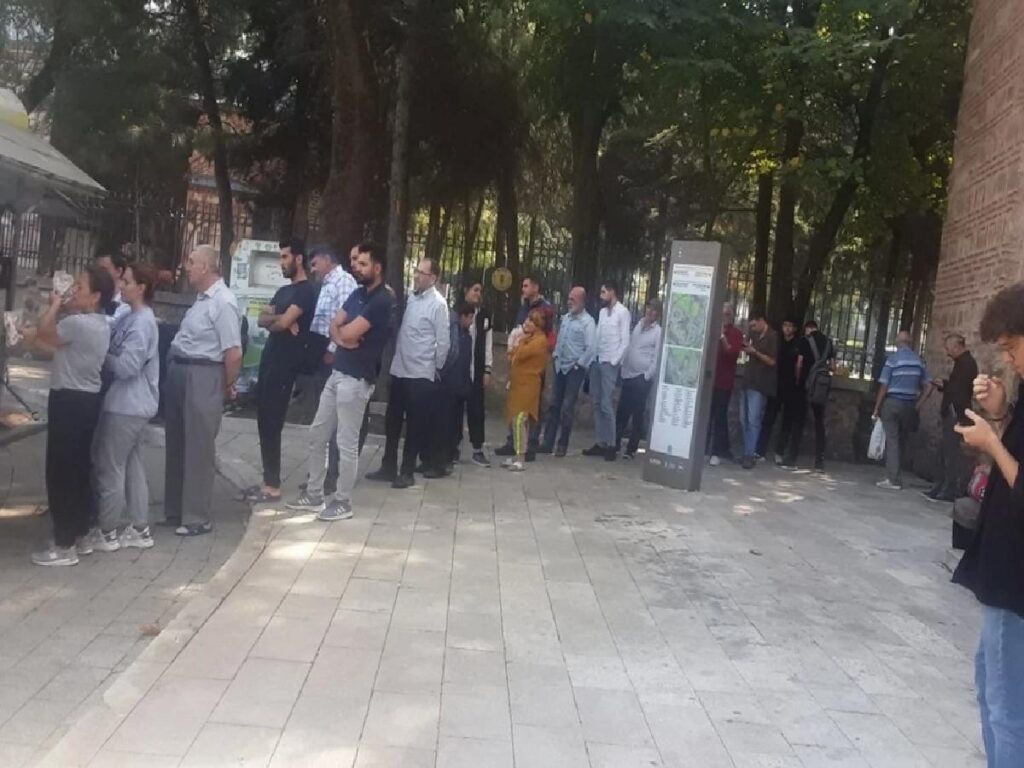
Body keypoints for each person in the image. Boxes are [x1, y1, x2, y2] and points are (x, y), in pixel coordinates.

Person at [951, 283, 1024, 768]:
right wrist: (998, 415)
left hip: (1016, 580)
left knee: (1008, 710)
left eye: (1012, 348)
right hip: (1004, 566)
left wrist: (991, 444)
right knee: (989, 685)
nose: (1009, 360)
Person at [288, 243, 394, 520]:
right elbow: (336, 327)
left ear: (378, 268)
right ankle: (314, 494)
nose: (357, 268)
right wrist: (344, 337)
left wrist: (344, 335)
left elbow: (347, 331)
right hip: (338, 373)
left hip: (357, 379)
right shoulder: (357, 294)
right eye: (356, 263)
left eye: (363, 264)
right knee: (317, 434)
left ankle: (343, 500)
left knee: (346, 442)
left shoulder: (381, 301)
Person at [23, 266, 114, 565]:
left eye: (80, 286)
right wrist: (32, 339)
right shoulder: (99, 324)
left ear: (96, 296)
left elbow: (46, 330)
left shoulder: (79, 323)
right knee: (78, 468)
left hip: (70, 400)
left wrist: (55, 304)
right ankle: (80, 533)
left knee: (61, 470)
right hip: (86, 401)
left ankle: (64, 544)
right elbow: (57, 348)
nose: (74, 290)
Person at [163, 244, 242, 535]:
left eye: (192, 262)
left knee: (198, 447)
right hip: (181, 370)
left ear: (206, 267)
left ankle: (196, 517)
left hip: (204, 373)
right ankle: (176, 510)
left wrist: (226, 384)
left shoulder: (223, 301)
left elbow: (233, 352)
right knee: (177, 443)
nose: (187, 267)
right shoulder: (201, 300)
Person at [89, 263, 160, 552]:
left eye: (126, 281)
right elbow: (107, 326)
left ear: (141, 288)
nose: (121, 285)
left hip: (127, 406)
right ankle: (139, 528)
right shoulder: (130, 315)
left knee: (110, 466)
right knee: (130, 465)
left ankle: (107, 531)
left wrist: (101, 355)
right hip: (130, 404)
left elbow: (128, 367)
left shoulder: (142, 323)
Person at [366, 257, 449, 488]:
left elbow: (443, 342)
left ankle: (407, 470)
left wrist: (435, 368)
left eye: (422, 273)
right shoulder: (412, 298)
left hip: (421, 373)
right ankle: (388, 466)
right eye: (416, 271)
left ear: (433, 278)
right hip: (400, 368)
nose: (416, 276)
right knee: (393, 421)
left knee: (414, 425)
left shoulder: (438, 304)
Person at [248, 238, 317, 503]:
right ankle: (268, 480)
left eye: (285, 257)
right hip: (270, 360)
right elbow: (262, 319)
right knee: (264, 420)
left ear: (298, 259)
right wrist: (281, 319)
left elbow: (280, 324)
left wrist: (280, 320)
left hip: (286, 364)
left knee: (273, 420)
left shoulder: (306, 291)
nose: (281, 262)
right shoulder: (282, 291)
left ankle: (273, 485)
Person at [305, 245, 357, 495]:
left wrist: (333, 350)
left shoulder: (343, 282)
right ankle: (319, 474)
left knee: (333, 422)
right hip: (320, 353)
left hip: (333, 354)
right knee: (321, 421)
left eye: (315, 264)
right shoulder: (327, 284)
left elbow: (346, 320)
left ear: (327, 260)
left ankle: (332, 475)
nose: (313, 269)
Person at [495, 276, 556, 459]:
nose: (523, 289)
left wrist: (537, 351)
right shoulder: (524, 306)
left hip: (533, 361)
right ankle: (513, 441)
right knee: (515, 402)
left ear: (536, 287)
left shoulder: (545, 308)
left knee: (531, 405)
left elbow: (548, 334)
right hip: (520, 359)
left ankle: (530, 444)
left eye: (526, 286)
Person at [539, 286, 596, 457]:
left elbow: (591, 348)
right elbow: (560, 339)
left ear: (582, 301)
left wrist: (579, 364)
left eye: (573, 299)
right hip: (560, 366)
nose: (569, 302)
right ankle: (547, 442)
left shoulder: (588, 322)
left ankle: (562, 444)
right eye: (569, 298)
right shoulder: (566, 318)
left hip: (574, 369)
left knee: (567, 406)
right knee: (554, 404)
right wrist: (555, 356)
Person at [872, 330, 930, 490]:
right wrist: (918, 405)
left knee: (891, 440)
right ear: (910, 343)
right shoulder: (919, 361)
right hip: (910, 405)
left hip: (893, 403)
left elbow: (884, 386)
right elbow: (929, 386)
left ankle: (893, 479)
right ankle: (895, 474)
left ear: (898, 343)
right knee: (901, 440)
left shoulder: (893, 360)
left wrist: (876, 407)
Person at [924, 333, 978, 502]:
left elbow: (960, 391)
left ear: (956, 346)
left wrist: (945, 385)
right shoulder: (961, 363)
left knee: (952, 453)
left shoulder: (967, 364)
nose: (947, 352)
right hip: (952, 413)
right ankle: (940, 486)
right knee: (944, 452)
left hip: (956, 414)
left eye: (948, 348)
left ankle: (950, 489)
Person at [583, 280, 632, 461]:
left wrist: (614, 361)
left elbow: (625, 341)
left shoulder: (623, 312)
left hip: (610, 363)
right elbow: (598, 336)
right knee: (596, 402)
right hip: (598, 360)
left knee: (606, 404)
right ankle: (600, 442)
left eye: (604, 292)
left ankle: (612, 444)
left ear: (613, 292)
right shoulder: (603, 312)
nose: (601, 295)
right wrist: (591, 358)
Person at [449, 280, 493, 467]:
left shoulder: (484, 315)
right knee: (455, 409)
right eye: (475, 290)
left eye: (480, 291)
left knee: (476, 409)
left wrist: (487, 369)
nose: (478, 294)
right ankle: (453, 446)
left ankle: (477, 448)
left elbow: (488, 343)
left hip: (477, 369)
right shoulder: (455, 312)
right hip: (459, 369)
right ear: (466, 290)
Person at [504, 310, 551, 472]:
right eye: (527, 320)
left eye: (531, 321)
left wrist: (517, 342)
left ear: (538, 325)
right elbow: (511, 355)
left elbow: (520, 353)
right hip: (519, 385)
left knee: (520, 420)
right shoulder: (528, 339)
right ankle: (517, 454)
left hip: (528, 386)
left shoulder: (539, 341)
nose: (526, 323)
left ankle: (520, 458)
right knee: (515, 421)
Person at [615, 299, 661, 459]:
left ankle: (631, 449)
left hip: (641, 378)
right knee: (622, 411)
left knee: (637, 414)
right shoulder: (638, 325)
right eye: (648, 308)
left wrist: (647, 376)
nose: (650, 312)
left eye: (654, 310)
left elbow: (657, 357)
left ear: (658, 314)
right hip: (628, 374)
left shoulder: (658, 332)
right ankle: (615, 443)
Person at [789, 319, 834, 471]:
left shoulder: (804, 340)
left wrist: (797, 379)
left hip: (805, 385)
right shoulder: (828, 342)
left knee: (799, 420)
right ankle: (819, 461)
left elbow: (799, 363)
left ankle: (791, 459)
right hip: (820, 388)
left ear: (807, 329)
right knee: (819, 422)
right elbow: (833, 366)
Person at [757, 318, 800, 467]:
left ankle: (779, 452)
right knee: (769, 418)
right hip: (775, 385)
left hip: (791, 387)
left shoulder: (797, 344)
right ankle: (760, 451)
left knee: (786, 422)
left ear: (794, 328)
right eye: (785, 325)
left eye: (790, 326)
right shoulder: (778, 342)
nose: (787, 328)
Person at [739, 309, 778, 469]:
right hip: (747, 381)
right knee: (743, 419)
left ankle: (750, 454)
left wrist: (755, 352)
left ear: (762, 320)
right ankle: (747, 451)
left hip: (760, 384)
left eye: (754, 325)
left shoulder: (772, 337)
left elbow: (772, 361)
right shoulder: (754, 335)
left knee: (753, 420)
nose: (752, 328)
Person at [707, 302, 744, 466]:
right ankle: (703, 448)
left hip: (724, 381)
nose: (724, 317)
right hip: (709, 379)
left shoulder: (736, 333)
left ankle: (716, 452)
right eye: (722, 314)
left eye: (727, 314)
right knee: (706, 415)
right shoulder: (711, 329)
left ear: (731, 316)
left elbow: (731, 354)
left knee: (720, 416)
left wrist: (722, 337)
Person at [444, 302, 477, 467]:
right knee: (448, 419)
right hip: (451, 382)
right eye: (469, 318)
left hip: (462, 384)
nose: (471, 322)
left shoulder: (467, 337)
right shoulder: (454, 334)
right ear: (463, 317)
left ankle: (454, 448)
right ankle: (447, 450)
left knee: (457, 419)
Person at [95, 252, 131, 325]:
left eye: (103, 270)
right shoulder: (94, 296)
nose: (98, 274)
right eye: (97, 270)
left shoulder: (126, 302)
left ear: (118, 271)